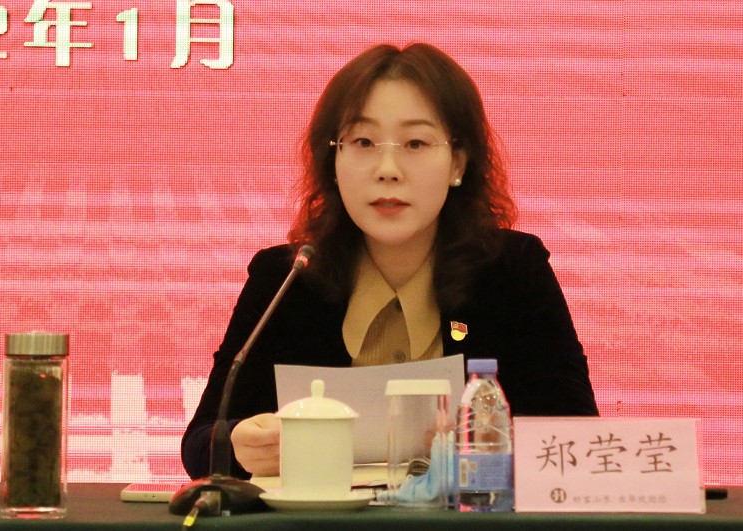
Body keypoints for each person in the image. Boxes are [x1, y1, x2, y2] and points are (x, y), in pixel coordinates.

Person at [181, 42, 598, 481]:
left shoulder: (513, 272)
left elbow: (575, 439)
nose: (387, 169)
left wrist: (490, 448)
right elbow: (200, 443)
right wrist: (239, 445)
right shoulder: (286, 278)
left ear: (457, 163)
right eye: (363, 142)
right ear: (334, 160)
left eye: (415, 143)